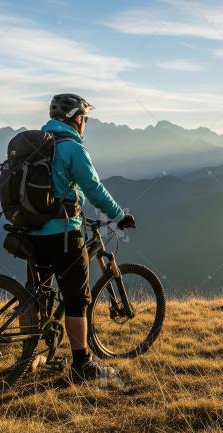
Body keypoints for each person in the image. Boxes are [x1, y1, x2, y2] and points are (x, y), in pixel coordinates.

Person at [28, 94, 135, 380]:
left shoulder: (36, 144)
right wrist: (118, 215)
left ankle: (29, 356)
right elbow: (94, 189)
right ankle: (82, 365)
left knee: (36, 294)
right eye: (85, 118)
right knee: (77, 299)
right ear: (77, 118)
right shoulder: (71, 148)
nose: (85, 122)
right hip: (62, 234)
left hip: (29, 230)